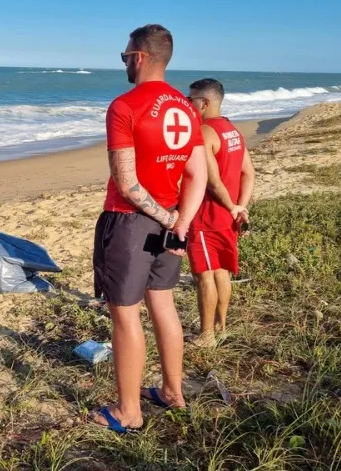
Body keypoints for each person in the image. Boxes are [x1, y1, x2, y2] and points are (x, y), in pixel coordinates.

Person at [90, 24, 208, 433]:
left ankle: (128, 411)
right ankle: (172, 391)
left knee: (125, 316)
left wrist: (167, 220)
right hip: (172, 220)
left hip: (130, 223)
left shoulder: (125, 106)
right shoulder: (187, 107)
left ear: (139, 57)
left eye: (124, 55)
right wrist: (182, 223)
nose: (123, 61)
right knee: (163, 303)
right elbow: (197, 173)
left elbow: (127, 183)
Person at [185, 78, 255, 347]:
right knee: (221, 272)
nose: (187, 103)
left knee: (204, 274)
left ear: (204, 103)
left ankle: (207, 335)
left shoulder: (204, 132)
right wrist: (240, 207)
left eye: (190, 99)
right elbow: (248, 172)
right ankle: (221, 327)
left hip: (206, 217)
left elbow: (213, 182)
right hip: (228, 217)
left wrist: (231, 206)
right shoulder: (232, 130)